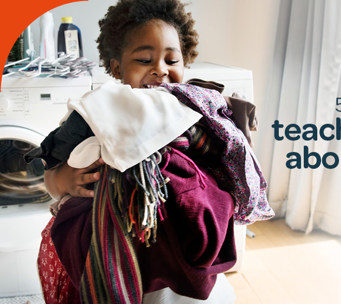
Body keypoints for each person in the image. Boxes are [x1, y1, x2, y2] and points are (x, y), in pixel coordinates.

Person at [29, 0, 274, 303]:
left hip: (189, 250)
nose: (160, 70)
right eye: (145, 60)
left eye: (172, 60)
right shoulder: (99, 109)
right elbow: (51, 173)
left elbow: (229, 159)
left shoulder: (195, 107)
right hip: (120, 246)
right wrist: (64, 180)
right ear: (117, 68)